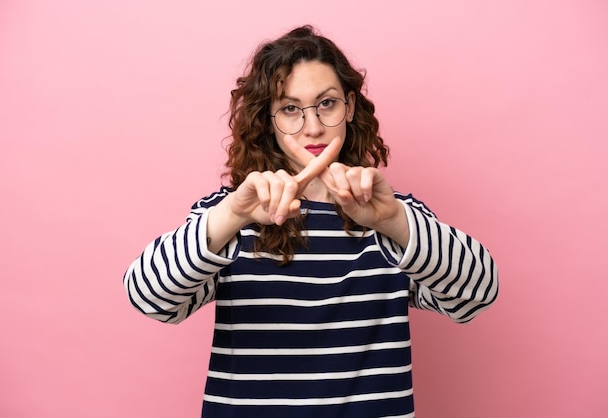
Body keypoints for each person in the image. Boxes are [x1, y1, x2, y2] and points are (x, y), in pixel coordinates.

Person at [123, 25, 499, 418]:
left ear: (350, 107)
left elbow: (478, 295)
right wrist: (233, 215)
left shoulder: (394, 218)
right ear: (268, 120)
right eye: (290, 109)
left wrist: (393, 221)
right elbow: (150, 299)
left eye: (327, 103)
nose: (313, 126)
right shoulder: (229, 215)